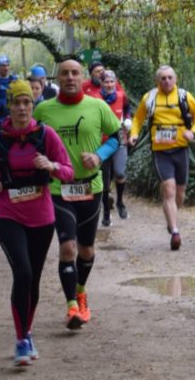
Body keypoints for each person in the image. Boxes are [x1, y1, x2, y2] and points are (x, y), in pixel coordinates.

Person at [0, 80, 74, 365]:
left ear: (33, 105)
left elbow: (67, 171)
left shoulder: (46, 135)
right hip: (8, 214)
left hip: (41, 217)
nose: (21, 108)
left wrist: (51, 166)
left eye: (26, 102)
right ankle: (20, 341)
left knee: (34, 279)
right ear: (10, 105)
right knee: (24, 273)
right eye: (16, 102)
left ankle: (27, 333)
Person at [33, 57, 121, 330]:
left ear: (82, 76)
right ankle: (71, 306)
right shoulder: (43, 110)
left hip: (90, 187)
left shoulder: (97, 106)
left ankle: (81, 291)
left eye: (74, 73)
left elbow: (118, 138)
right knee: (67, 247)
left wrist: (99, 155)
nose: (70, 77)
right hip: (58, 189)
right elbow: (30, 142)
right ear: (57, 79)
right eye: (64, 73)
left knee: (85, 249)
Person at [129, 65, 195, 250]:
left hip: (180, 149)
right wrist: (133, 134)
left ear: (176, 78)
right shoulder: (149, 98)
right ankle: (175, 232)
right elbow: (138, 119)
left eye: (170, 77)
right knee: (169, 190)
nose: (166, 81)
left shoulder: (184, 97)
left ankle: (172, 220)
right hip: (160, 151)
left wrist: (193, 133)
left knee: (180, 193)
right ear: (157, 80)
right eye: (163, 78)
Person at [99, 70, 132, 226]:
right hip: (102, 142)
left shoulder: (121, 95)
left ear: (115, 82)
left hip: (119, 139)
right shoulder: (96, 98)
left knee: (120, 172)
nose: (109, 84)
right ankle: (106, 212)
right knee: (104, 181)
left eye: (112, 82)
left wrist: (127, 119)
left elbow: (128, 108)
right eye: (106, 82)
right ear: (102, 83)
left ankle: (119, 202)